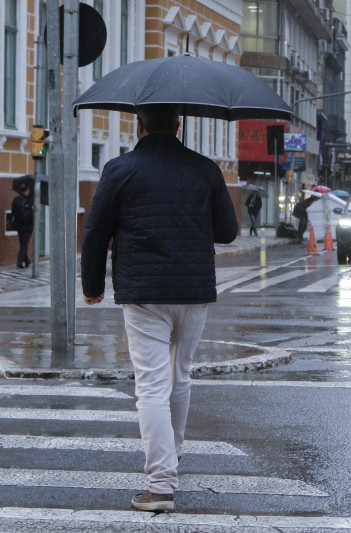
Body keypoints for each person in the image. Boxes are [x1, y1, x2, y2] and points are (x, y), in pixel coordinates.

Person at [80, 104, 239, 511]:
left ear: (140, 125)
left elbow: (96, 230)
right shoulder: (206, 169)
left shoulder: (120, 169)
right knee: (179, 377)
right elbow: (227, 232)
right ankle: (172, 457)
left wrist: (93, 285)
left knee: (151, 385)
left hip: (144, 292)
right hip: (193, 290)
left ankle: (161, 484)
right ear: (178, 125)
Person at [10, 181, 34, 268]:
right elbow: (32, 214)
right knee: (24, 243)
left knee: (23, 242)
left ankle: (26, 260)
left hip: (19, 225)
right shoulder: (30, 200)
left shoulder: (16, 199)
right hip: (28, 226)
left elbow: (13, 212)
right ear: (27, 190)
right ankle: (19, 261)